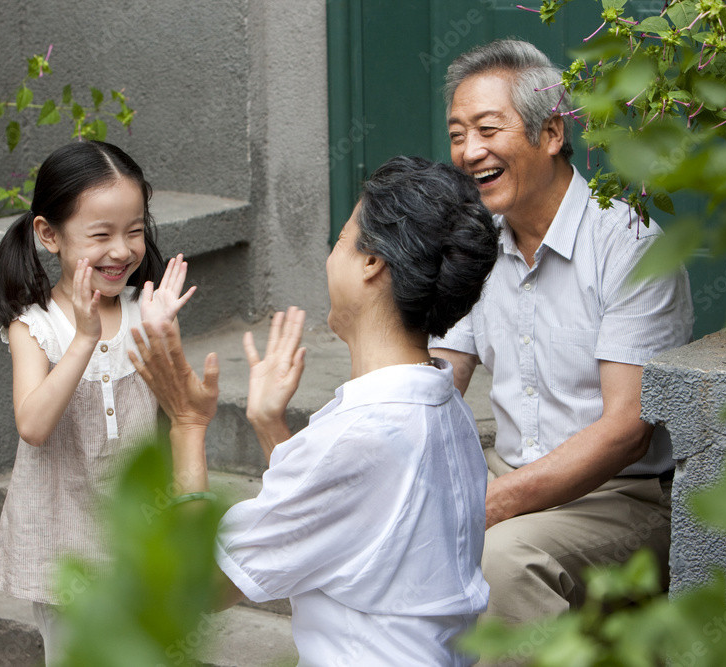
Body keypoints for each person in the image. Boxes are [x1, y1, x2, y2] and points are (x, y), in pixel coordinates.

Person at [130, 156, 500, 666]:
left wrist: (187, 426)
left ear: (373, 263)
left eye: (342, 239)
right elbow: (344, 522)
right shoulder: (445, 405)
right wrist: (270, 426)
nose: (331, 257)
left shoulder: (360, 435)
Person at [430, 39, 695, 628]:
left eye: (487, 129)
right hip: (508, 477)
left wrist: (488, 506)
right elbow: (441, 376)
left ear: (550, 133)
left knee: (499, 559)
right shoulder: (475, 238)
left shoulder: (627, 242)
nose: (470, 152)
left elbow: (627, 430)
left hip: (618, 498)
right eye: (456, 134)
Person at [0, 141, 195, 664]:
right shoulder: (35, 325)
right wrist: (84, 339)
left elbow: (183, 411)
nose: (122, 250)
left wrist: (163, 338)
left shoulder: (147, 308)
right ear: (49, 234)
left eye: (134, 231)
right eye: (101, 234)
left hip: (138, 532)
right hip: (63, 538)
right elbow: (34, 425)